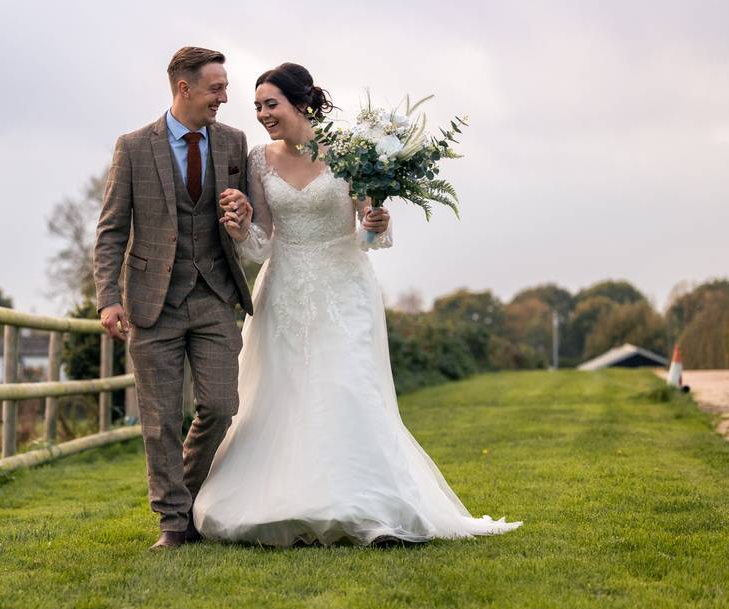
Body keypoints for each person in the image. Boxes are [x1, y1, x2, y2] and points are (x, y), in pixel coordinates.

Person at [192, 63, 522, 546]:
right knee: (281, 392)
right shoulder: (259, 160)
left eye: (271, 104)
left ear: (301, 103)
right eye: (258, 106)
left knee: (345, 385)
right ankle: (281, 501)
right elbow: (262, 244)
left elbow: (370, 236)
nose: (263, 114)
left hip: (344, 286)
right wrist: (241, 230)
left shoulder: (349, 153)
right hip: (283, 287)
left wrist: (376, 221)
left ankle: (365, 500)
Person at [93, 47, 254, 550]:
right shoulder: (134, 146)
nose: (225, 98)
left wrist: (241, 214)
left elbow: (245, 218)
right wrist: (107, 298)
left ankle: (184, 495)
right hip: (151, 301)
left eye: (225, 87)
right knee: (160, 417)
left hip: (214, 294)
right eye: (216, 88)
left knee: (221, 405)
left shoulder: (233, 142)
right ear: (184, 88)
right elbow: (112, 230)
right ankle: (173, 523)